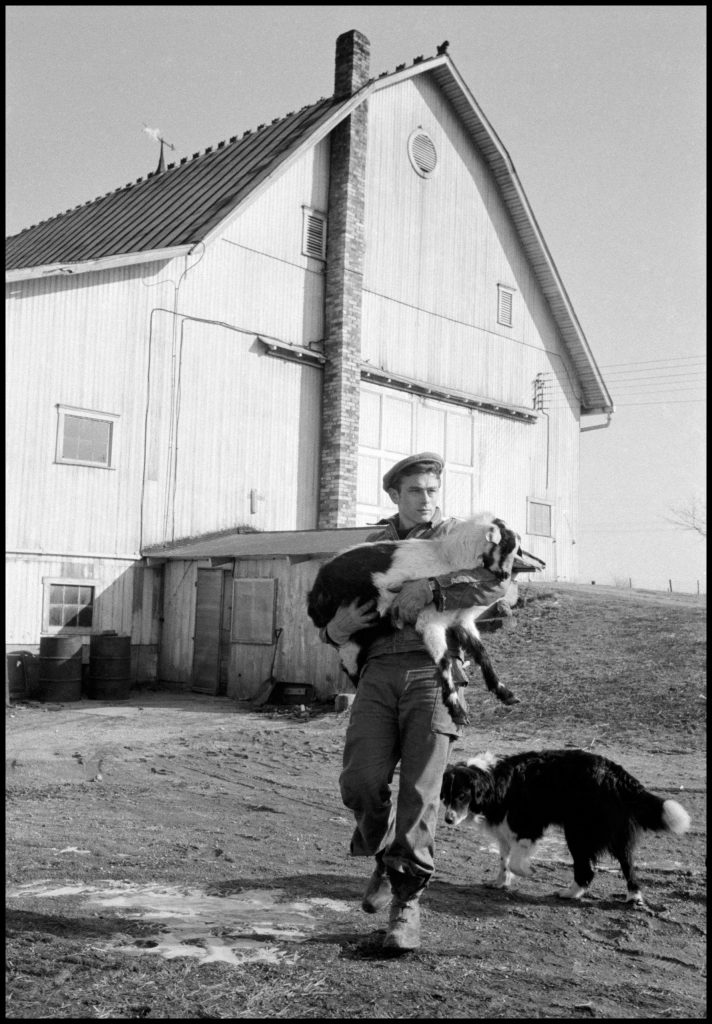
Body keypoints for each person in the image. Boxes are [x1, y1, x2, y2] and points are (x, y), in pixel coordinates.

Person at [322, 452, 513, 953]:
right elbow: (334, 605)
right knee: (360, 781)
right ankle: (385, 856)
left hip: (436, 670)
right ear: (394, 496)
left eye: (432, 490)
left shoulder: (463, 537)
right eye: (415, 491)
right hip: (379, 670)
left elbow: (502, 584)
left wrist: (436, 586)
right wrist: (330, 630)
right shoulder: (372, 547)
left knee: (422, 793)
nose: (426, 499)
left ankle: (406, 905)